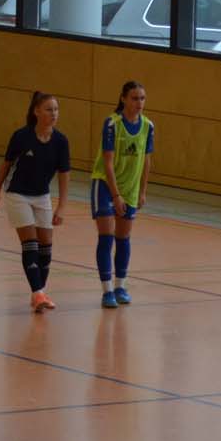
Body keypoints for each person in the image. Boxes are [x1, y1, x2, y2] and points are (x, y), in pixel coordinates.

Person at [0, 91, 70, 312]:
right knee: (31, 243)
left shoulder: (61, 141)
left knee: (46, 247)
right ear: (36, 112)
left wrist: (62, 206)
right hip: (17, 194)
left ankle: (39, 292)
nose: (54, 114)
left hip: (42, 195)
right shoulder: (21, 137)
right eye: (49, 109)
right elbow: (6, 165)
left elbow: (64, 175)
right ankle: (38, 293)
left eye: (56, 110)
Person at [91, 81, 155, 308]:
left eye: (142, 98)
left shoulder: (148, 126)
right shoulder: (112, 124)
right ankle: (107, 290)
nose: (139, 103)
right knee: (106, 236)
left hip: (131, 189)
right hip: (106, 184)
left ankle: (120, 286)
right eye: (135, 98)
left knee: (123, 237)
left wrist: (142, 191)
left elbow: (146, 161)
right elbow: (108, 162)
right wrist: (116, 195)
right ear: (123, 99)